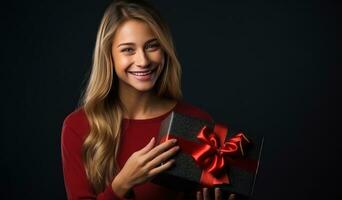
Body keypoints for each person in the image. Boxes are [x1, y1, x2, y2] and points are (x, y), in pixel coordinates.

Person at [61, 0, 237, 199]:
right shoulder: (79, 125)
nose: (143, 61)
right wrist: (122, 184)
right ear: (108, 55)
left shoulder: (196, 120)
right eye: (128, 49)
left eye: (152, 46)